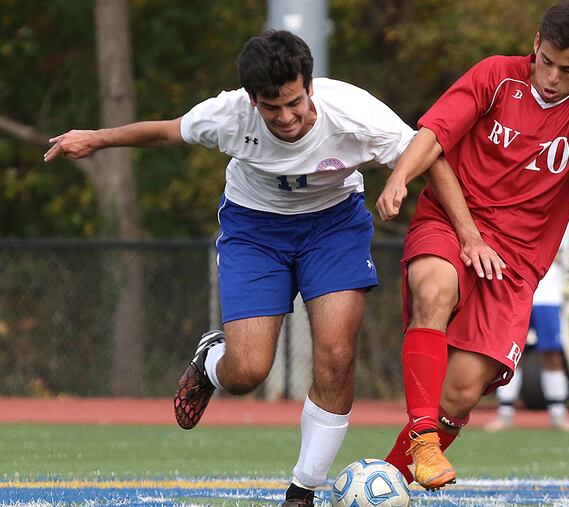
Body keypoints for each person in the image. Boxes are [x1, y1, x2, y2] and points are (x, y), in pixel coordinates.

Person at [44, 30, 422, 507]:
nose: (285, 117)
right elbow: (166, 131)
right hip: (255, 232)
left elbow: (423, 148)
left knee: (336, 355)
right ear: (251, 100)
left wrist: (420, 194)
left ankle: (302, 491)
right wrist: (95, 139)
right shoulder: (227, 115)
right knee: (246, 372)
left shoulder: (353, 109)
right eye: (271, 107)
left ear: (310, 85)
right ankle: (211, 360)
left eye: (295, 103)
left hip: (334, 228)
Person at [375, 0, 569, 490]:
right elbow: (435, 132)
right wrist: (399, 177)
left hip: (515, 265)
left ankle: (384, 483)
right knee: (433, 287)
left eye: (567, 69)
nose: (551, 76)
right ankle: (422, 440)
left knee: (461, 393)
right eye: (546, 61)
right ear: (535, 44)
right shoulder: (496, 76)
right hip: (451, 224)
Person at [484, 252, 569, 433]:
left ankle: (558, 414)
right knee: (511, 352)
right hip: (518, 293)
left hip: (549, 297)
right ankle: (505, 413)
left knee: (552, 354)